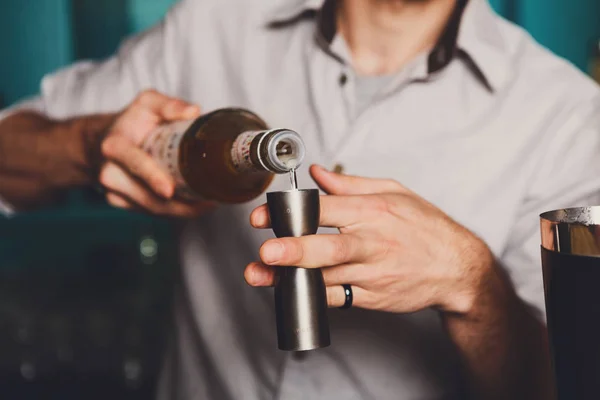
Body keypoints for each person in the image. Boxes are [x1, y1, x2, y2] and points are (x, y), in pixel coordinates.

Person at [1, 0, 599, 398]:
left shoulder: (570, 120)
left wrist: (475, 286)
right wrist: (86, 143)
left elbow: (561, 385)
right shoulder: (213, 24)